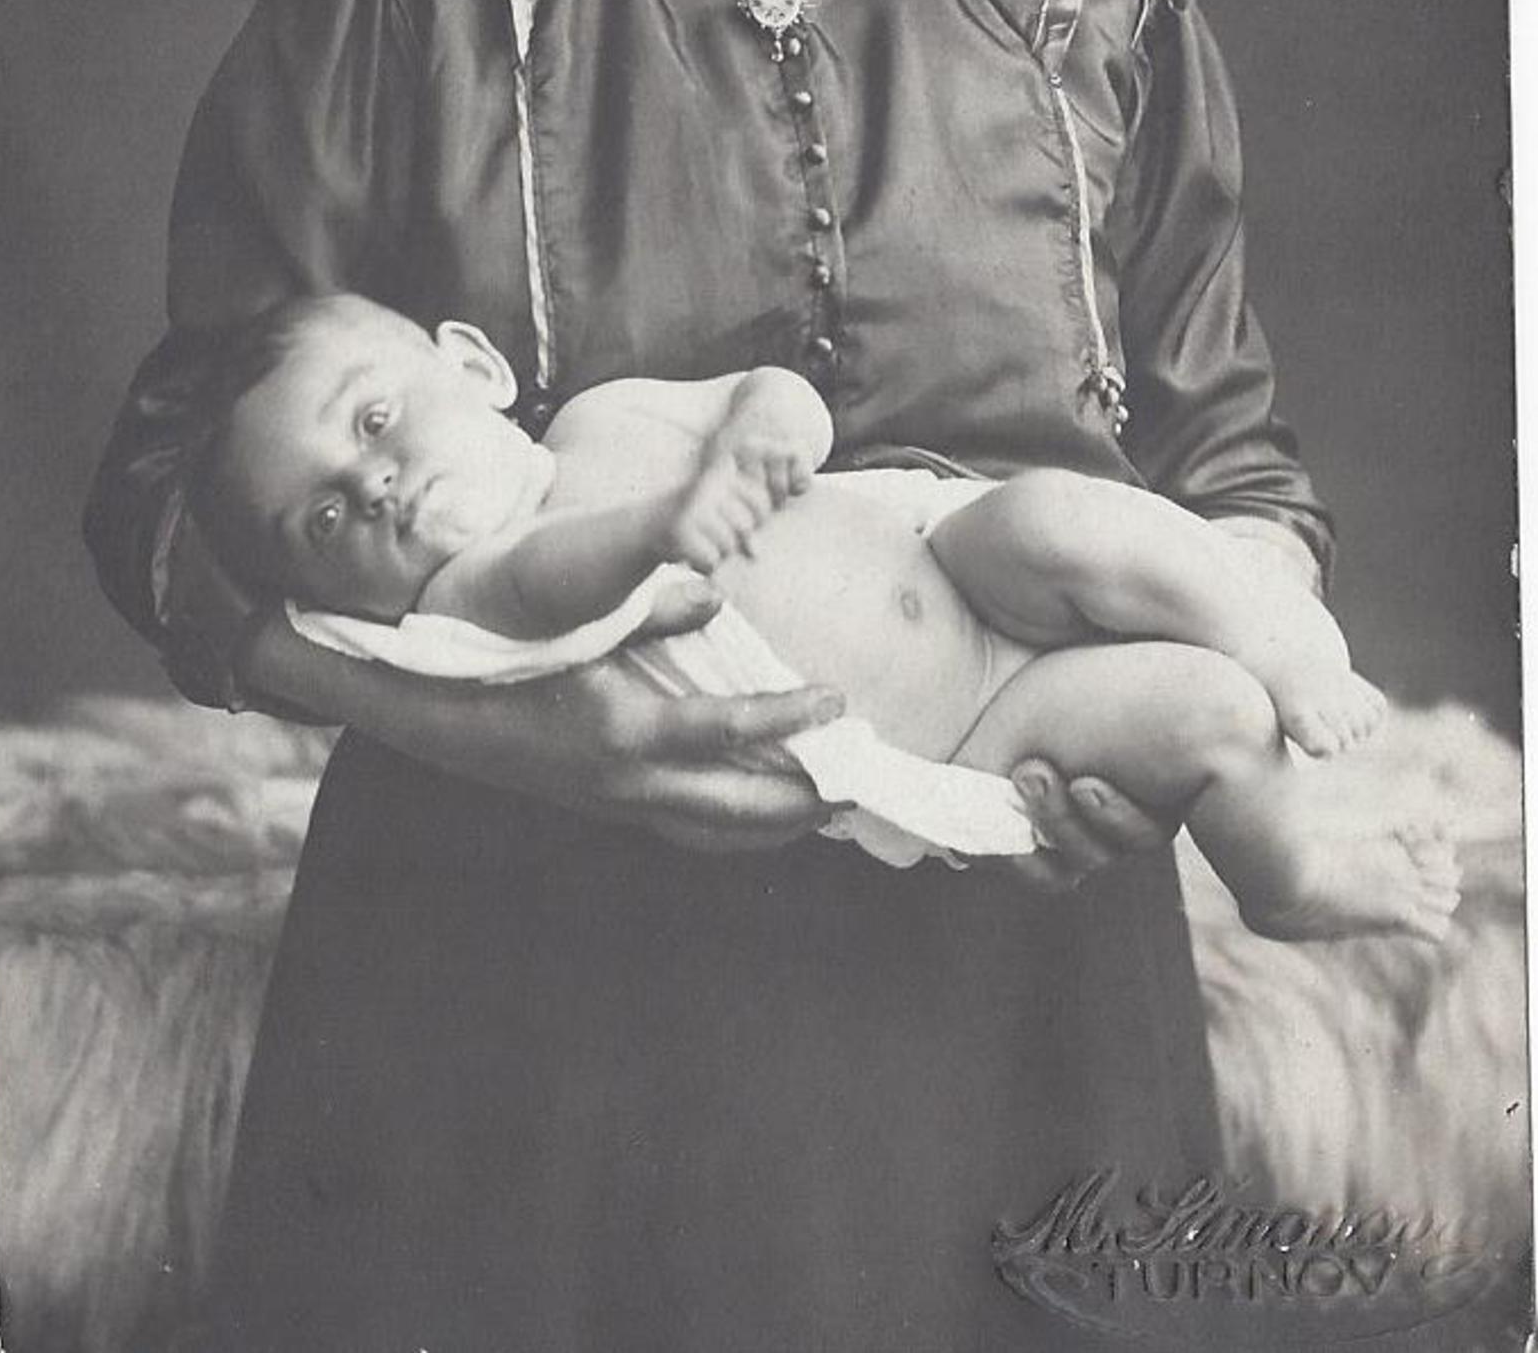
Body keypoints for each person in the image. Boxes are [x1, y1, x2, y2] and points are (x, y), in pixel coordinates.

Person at [85, 0, 1341, 1351]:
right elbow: (165, 500)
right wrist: (497, 723)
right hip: (510, 1028)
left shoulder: (1090, 9)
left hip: (1019, 1010)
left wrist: (1211, 702)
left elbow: (1233, 472)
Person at [192, 289, 1456, 939]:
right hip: (970, 729)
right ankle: (1286, 879)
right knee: (1204, 714)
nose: (376, 486)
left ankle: (1282, 635)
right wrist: (663, 525)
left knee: (1059, 517)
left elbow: (765, 393)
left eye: (374, 420)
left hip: (952, 555)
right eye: (325, 520)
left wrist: (768, 425)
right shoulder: (469, 598)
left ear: (472, 367)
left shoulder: (598, 417)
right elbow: (555, 585)